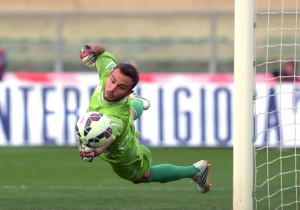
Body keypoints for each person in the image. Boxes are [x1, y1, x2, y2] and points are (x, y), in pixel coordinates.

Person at [77, 43, 211, 193]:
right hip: (121, 115)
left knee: (143, 177)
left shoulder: (115, 119)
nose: (112, 88)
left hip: (123, 153)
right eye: (112, 81)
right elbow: (102, 51)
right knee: (129, 113)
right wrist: (90, 49)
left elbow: (108, 140)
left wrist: (92, 152)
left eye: (121, 87)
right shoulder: (108, 70)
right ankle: (137, 102)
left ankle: (196, 171)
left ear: (128, 91)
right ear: (109, 75)